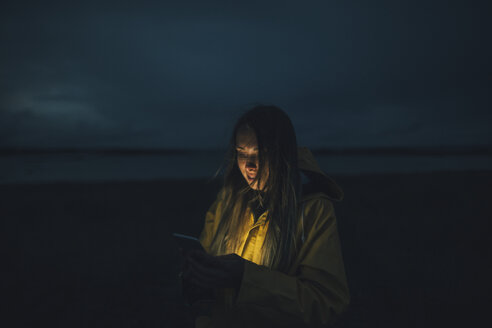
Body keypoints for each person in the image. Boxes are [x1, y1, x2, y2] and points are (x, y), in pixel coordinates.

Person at [181, 105, 350, 327]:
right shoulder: (226, 202)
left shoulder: (313, 210)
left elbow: (325, 303)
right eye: (242, 152)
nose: (249, 165)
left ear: (284, 154)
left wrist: (246, 278)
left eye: (261, 152)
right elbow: (205, 287)